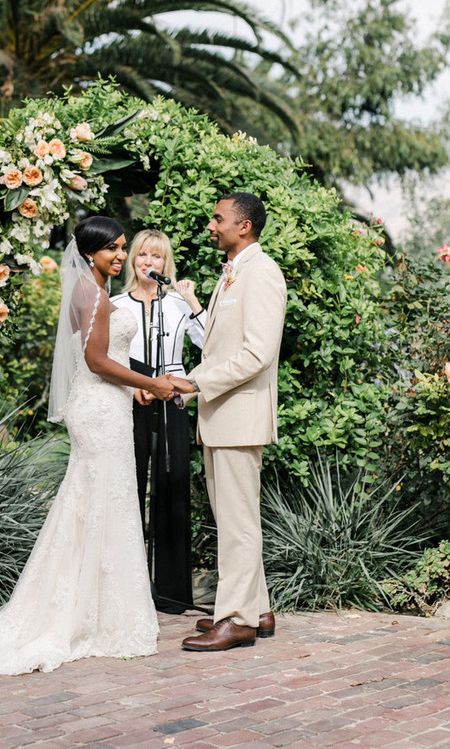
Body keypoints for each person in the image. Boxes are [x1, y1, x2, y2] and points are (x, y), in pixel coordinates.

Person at [0, 216, 175, 675]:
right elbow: (95, 360)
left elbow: (103, 361)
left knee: (99, 502)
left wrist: (135, 388)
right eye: (114, 249)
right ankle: (95, 619)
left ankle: (102, 611)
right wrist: (151, 382)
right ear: (91, 253)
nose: (122, 256)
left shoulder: (90, 289)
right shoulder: (92, 293)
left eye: (123, 247)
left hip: (106, 404)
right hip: (100, 411)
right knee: (104, 499)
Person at [170, 193, 287, 652]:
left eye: (218, 218)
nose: (210, 225)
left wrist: (196, 382)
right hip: (221, 417)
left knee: (238, 523)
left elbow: (258, 354)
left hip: (238, 417)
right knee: (235, 518)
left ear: (244, 226)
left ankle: (236, 619)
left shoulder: (263, 272)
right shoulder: (233, 272)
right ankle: (257, 608)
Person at [110, 229, 207, 613]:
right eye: (142, 256)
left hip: (173, 396)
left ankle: (171, 594)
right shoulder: (117, 303)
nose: (149, 263)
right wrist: (134, 386)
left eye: (157, 257)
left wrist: (193, 299)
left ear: (166, 264)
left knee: (173, 487)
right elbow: (108, 355)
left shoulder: (179, 305)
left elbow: (208, 343)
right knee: (128, 486)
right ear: (133, 261)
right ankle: (126, 589)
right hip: (130, 397)